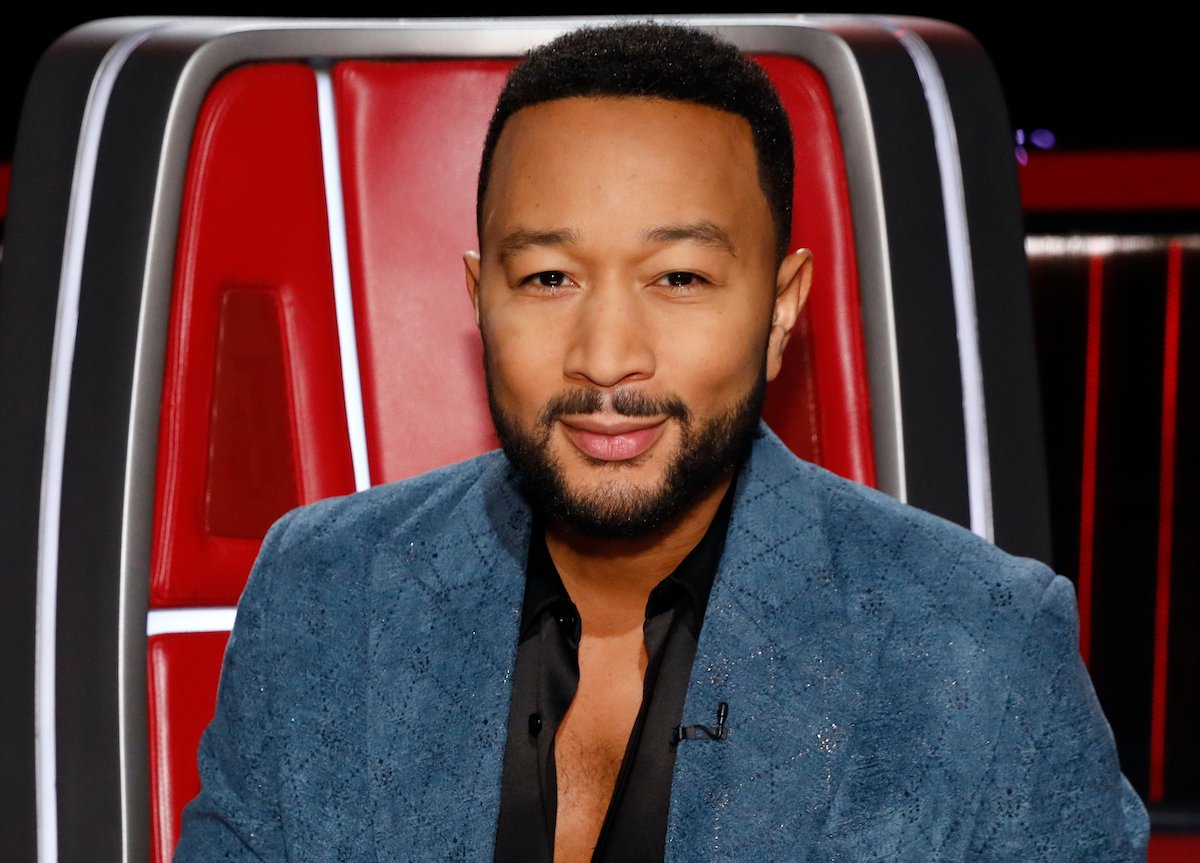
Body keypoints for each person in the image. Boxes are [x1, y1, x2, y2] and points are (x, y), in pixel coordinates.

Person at [174, 20, 1149, 862]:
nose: (606, 360)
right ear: (480, 300)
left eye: (678, 278)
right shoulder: (323, 590)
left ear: (781, 308)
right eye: (549, 277)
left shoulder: (977, 642)